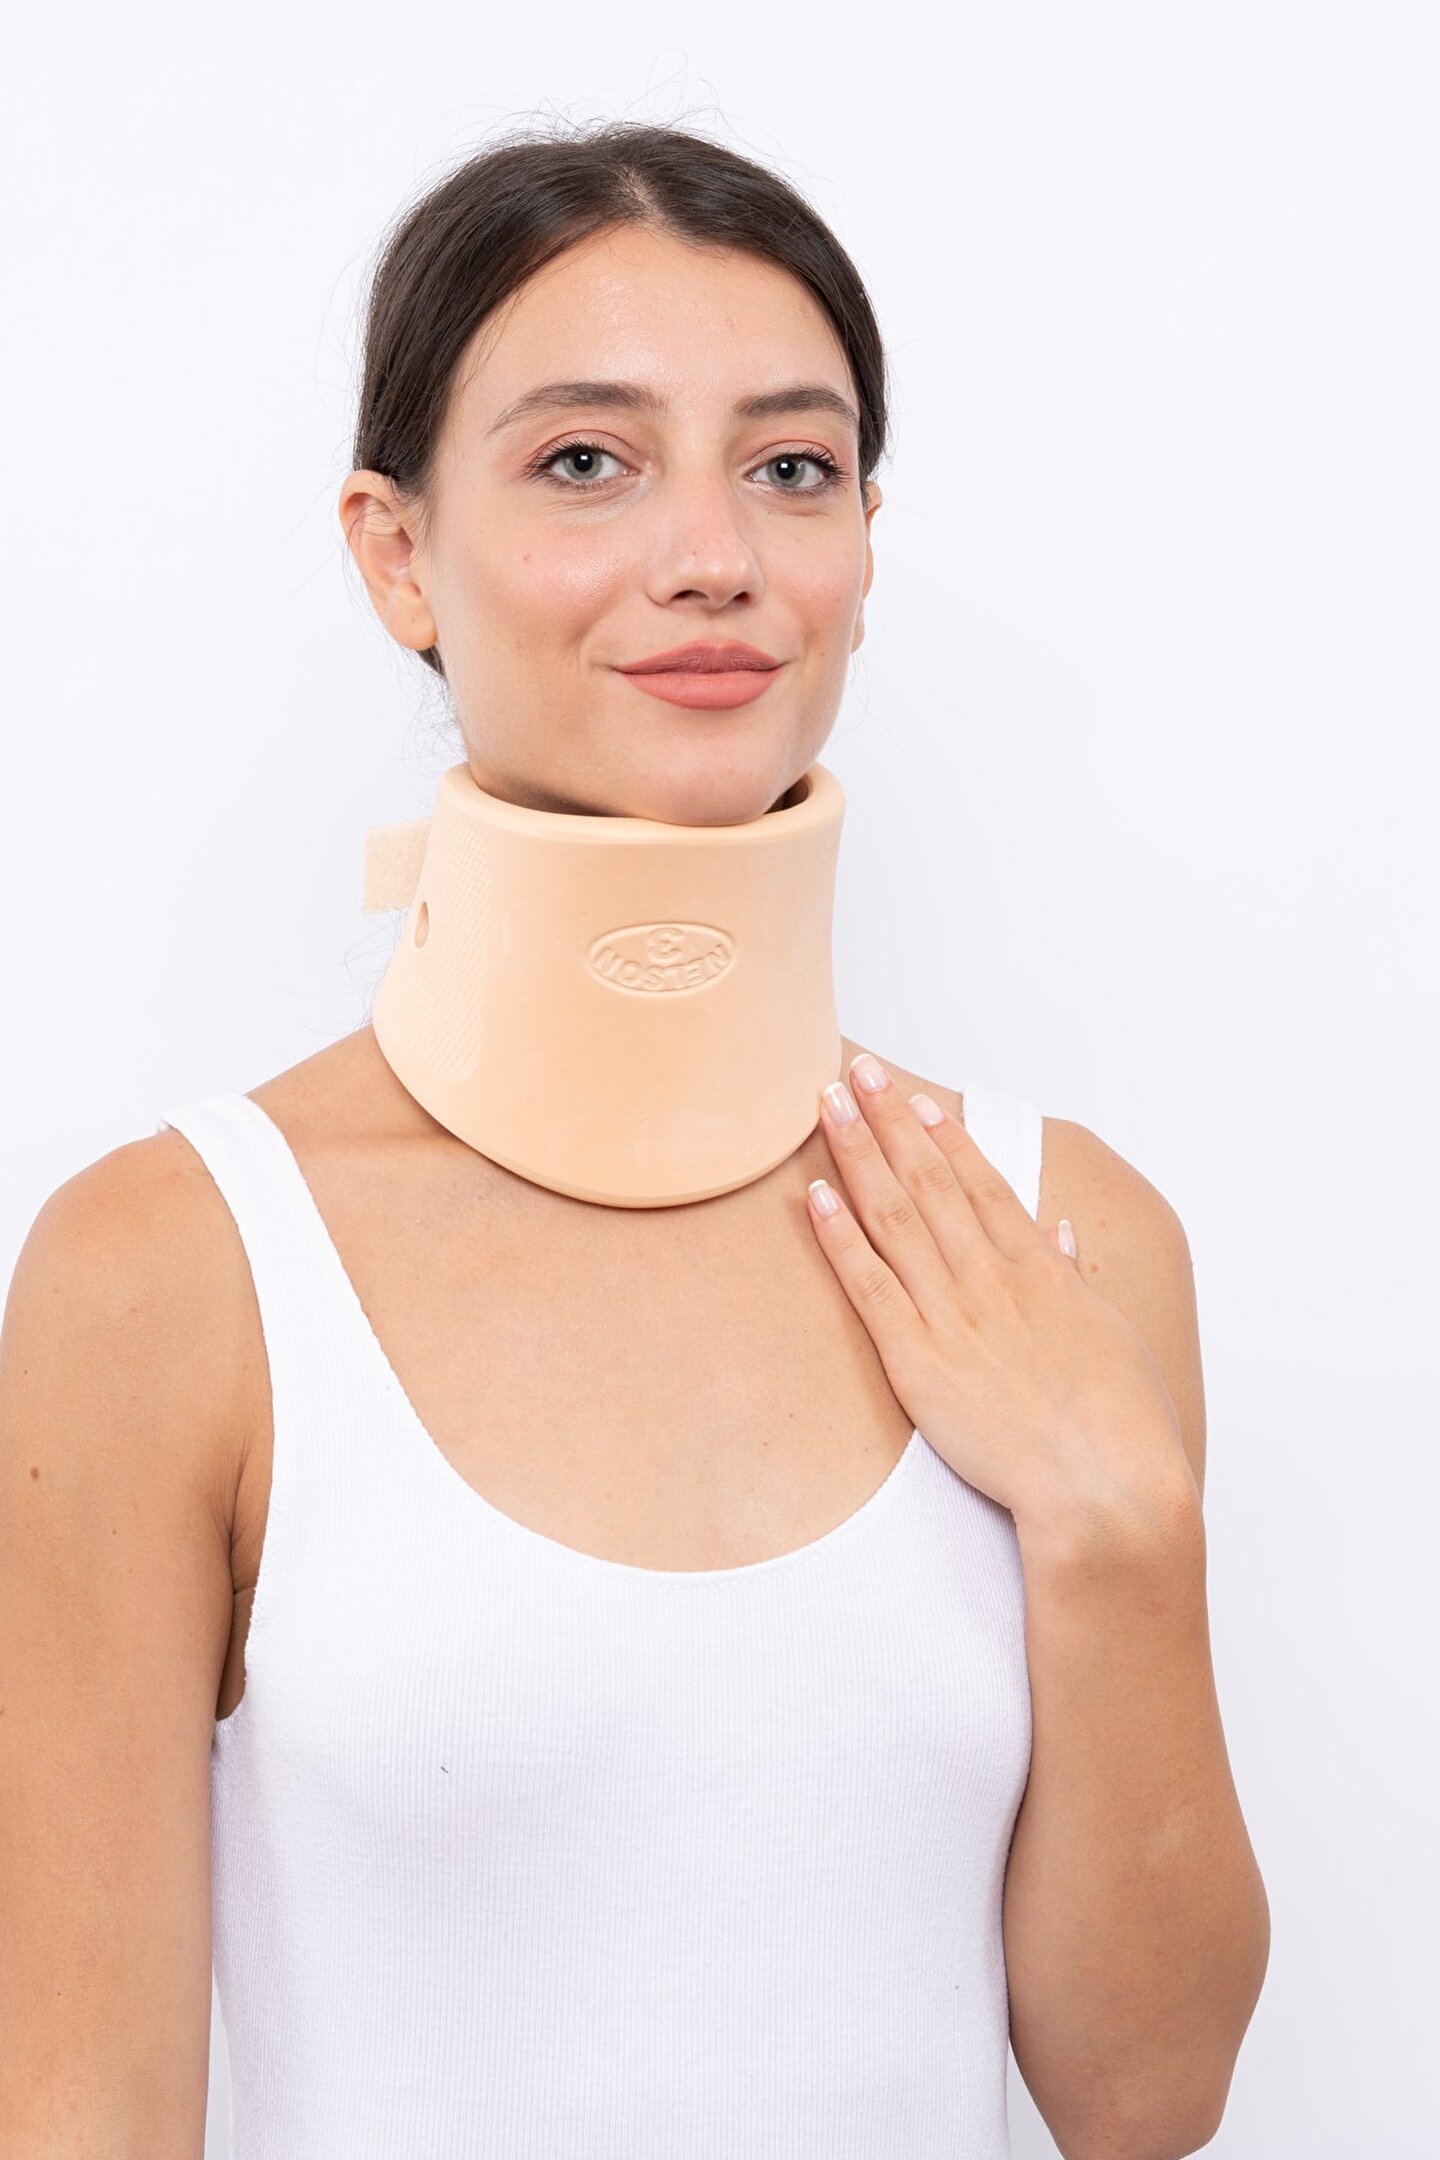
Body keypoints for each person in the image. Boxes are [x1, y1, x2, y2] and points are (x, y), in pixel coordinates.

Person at [0, 120, 1268, 2158]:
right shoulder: (171, 1272)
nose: (714, 556)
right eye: (587, 460)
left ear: (864, 545)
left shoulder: (1062, 1239)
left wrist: (1121, 1521)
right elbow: (79, 2114)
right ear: (396, 552)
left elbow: (1148, 2103)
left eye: (793, 468)